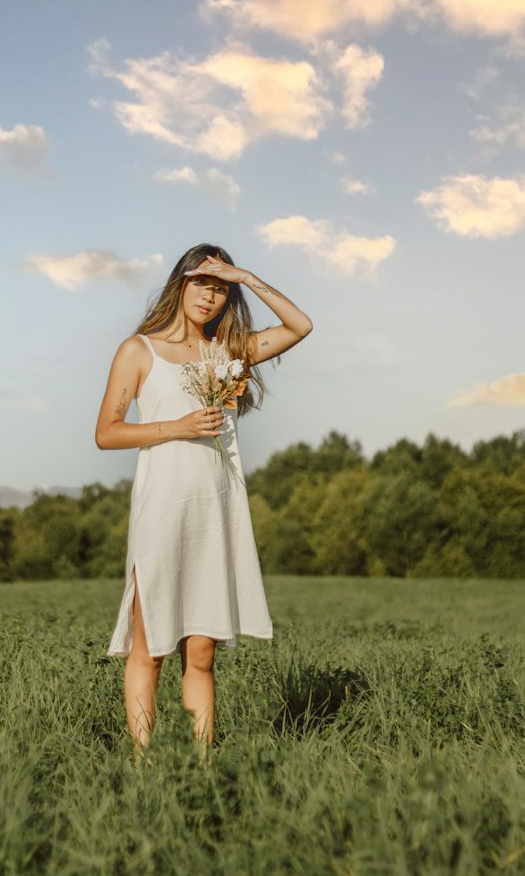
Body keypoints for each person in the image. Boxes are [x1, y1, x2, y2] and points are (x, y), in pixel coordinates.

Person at [95, 243, 312, 748]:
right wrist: (177, 425)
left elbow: (300, 326)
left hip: (217, 511)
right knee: (149, 650)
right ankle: (144, 768)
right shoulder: (138, 350)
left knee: (201, 655)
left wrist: (247, 275)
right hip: (162, 508)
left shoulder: (229, 355)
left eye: (220, 288)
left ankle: (203, 769)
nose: (210, 297)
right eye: (202, 283)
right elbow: (107, 432)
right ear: (180, 285)